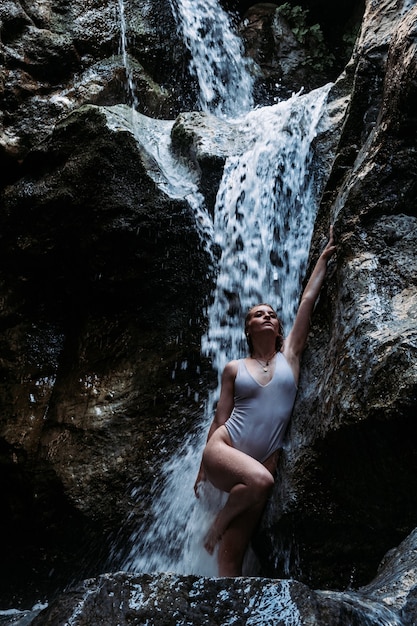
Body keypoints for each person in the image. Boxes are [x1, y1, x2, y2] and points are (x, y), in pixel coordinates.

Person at [193, 226, 336, 576]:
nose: (267, 316)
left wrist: (324, 257)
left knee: (231, 558)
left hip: (259, 466)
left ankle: (224, 609)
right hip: (223, 450)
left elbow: (306, 302)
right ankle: (215, 528)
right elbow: (220, 418)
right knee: (261, 483)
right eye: (258, 314)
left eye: (271, 313)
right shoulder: (233, 368)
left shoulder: (291, 357)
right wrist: (201, 469)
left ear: (278, 326)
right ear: (247, 328)